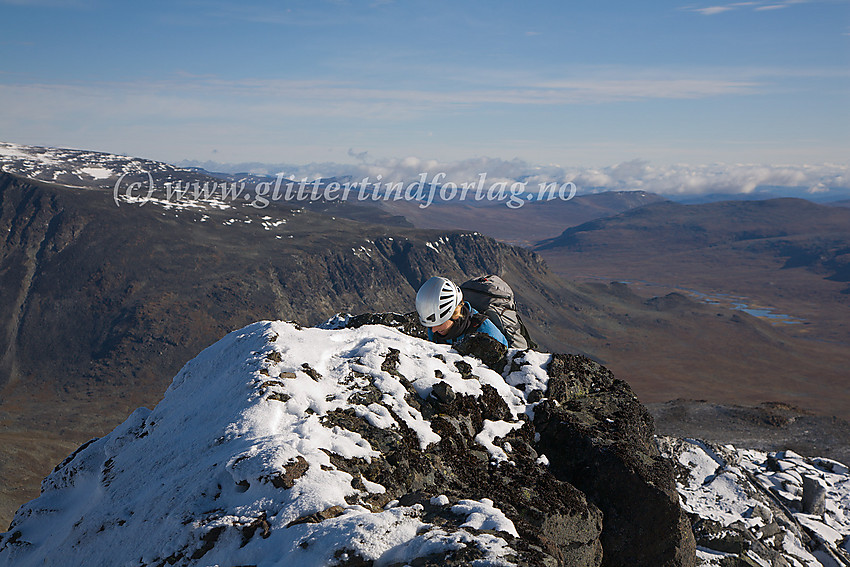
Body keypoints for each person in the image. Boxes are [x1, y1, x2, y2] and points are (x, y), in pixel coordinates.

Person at [415, 276, 508, 347]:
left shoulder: (487, 334)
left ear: (454, 314)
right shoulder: (435, 324)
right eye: (430, 326)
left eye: (439, 324)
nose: (433, 330)